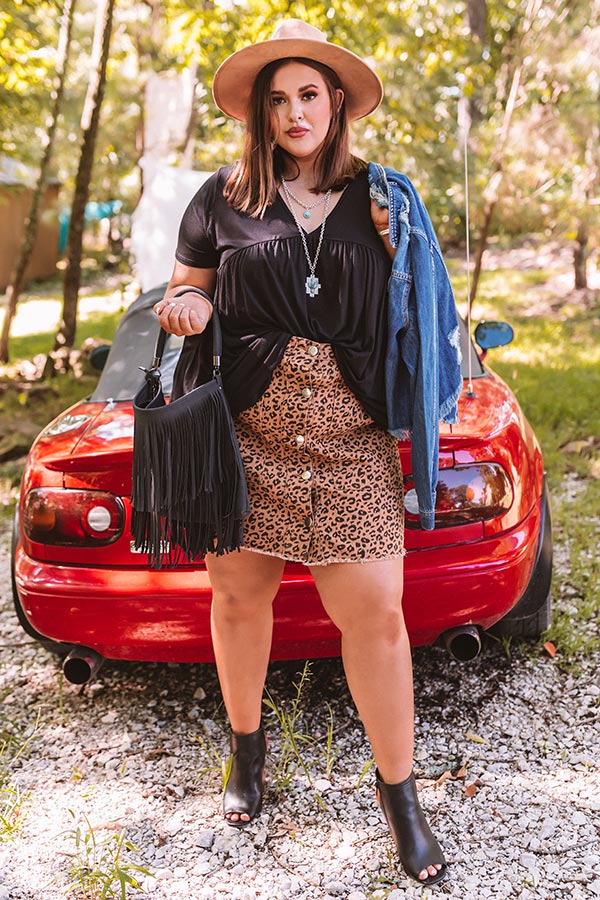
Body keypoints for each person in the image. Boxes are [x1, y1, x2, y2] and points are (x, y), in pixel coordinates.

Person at [154, 19, 460, 887]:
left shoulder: (382, 198)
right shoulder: (220, 198)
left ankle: (401, 797)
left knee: (379, 619)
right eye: (279, 99)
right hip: (244, 435)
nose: (294, 112)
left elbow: (423, 307)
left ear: (336, 105)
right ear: (260, 112)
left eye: (309, 95)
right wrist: (187, 308)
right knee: (238, 599)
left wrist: (400, 247)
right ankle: (246, 751)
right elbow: (186, 289)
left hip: (351, 442)